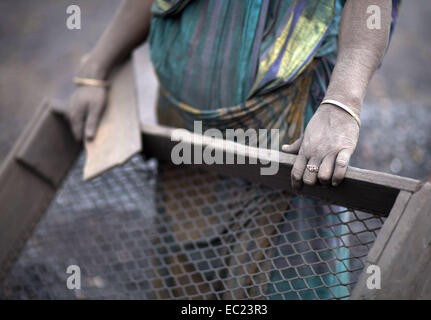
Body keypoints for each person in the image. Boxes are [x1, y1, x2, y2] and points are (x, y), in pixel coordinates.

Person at [68, 0, 399, 299]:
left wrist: (343, 102)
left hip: (288, 131)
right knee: (188, 281)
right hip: (186, 138)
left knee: (281, 284)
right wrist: (95, 69)